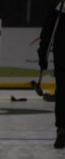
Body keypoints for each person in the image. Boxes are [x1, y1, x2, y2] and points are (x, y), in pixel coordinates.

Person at [38, 0, 65, 149]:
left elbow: (47, 32)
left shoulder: (57, 6)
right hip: (62, 55)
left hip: (62, 56)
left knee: (62, 92)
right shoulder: (58, 6)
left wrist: (43, 55)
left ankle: (62, 127)